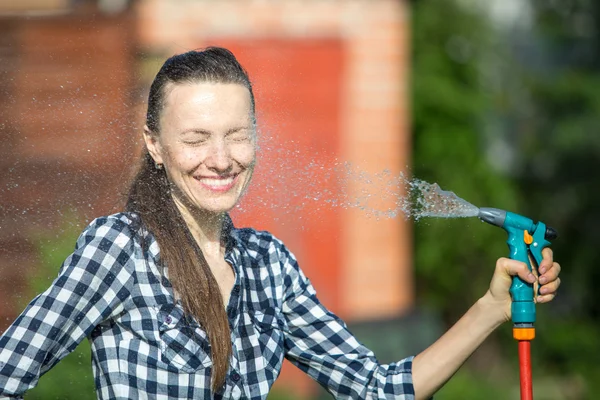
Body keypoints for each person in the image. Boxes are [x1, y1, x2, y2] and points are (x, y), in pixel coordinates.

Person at [0, 47, 561, 400]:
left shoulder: (269, 265)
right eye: (195, 138)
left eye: (237, 135)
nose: (220, 158)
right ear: (155, 146)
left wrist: (492, 307)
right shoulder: (119, 249)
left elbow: (376, 389)